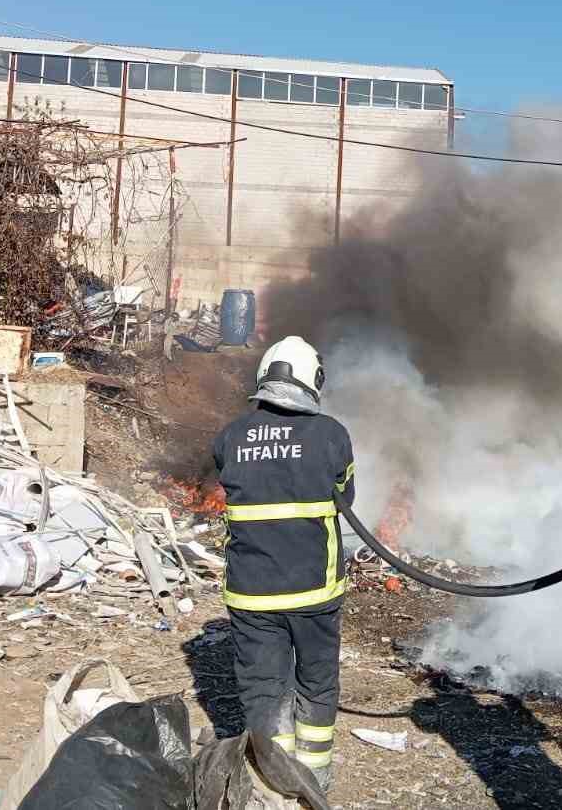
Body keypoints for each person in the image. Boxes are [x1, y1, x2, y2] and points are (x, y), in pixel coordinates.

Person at [212, 335, 355, 790]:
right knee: (316, 678)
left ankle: (275, 777)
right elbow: (345, 497)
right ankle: (313, 776)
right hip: (315, 589)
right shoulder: (331, 434)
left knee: (262, 685)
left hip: (251, 591)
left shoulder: (231, 436)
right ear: (313, 380)